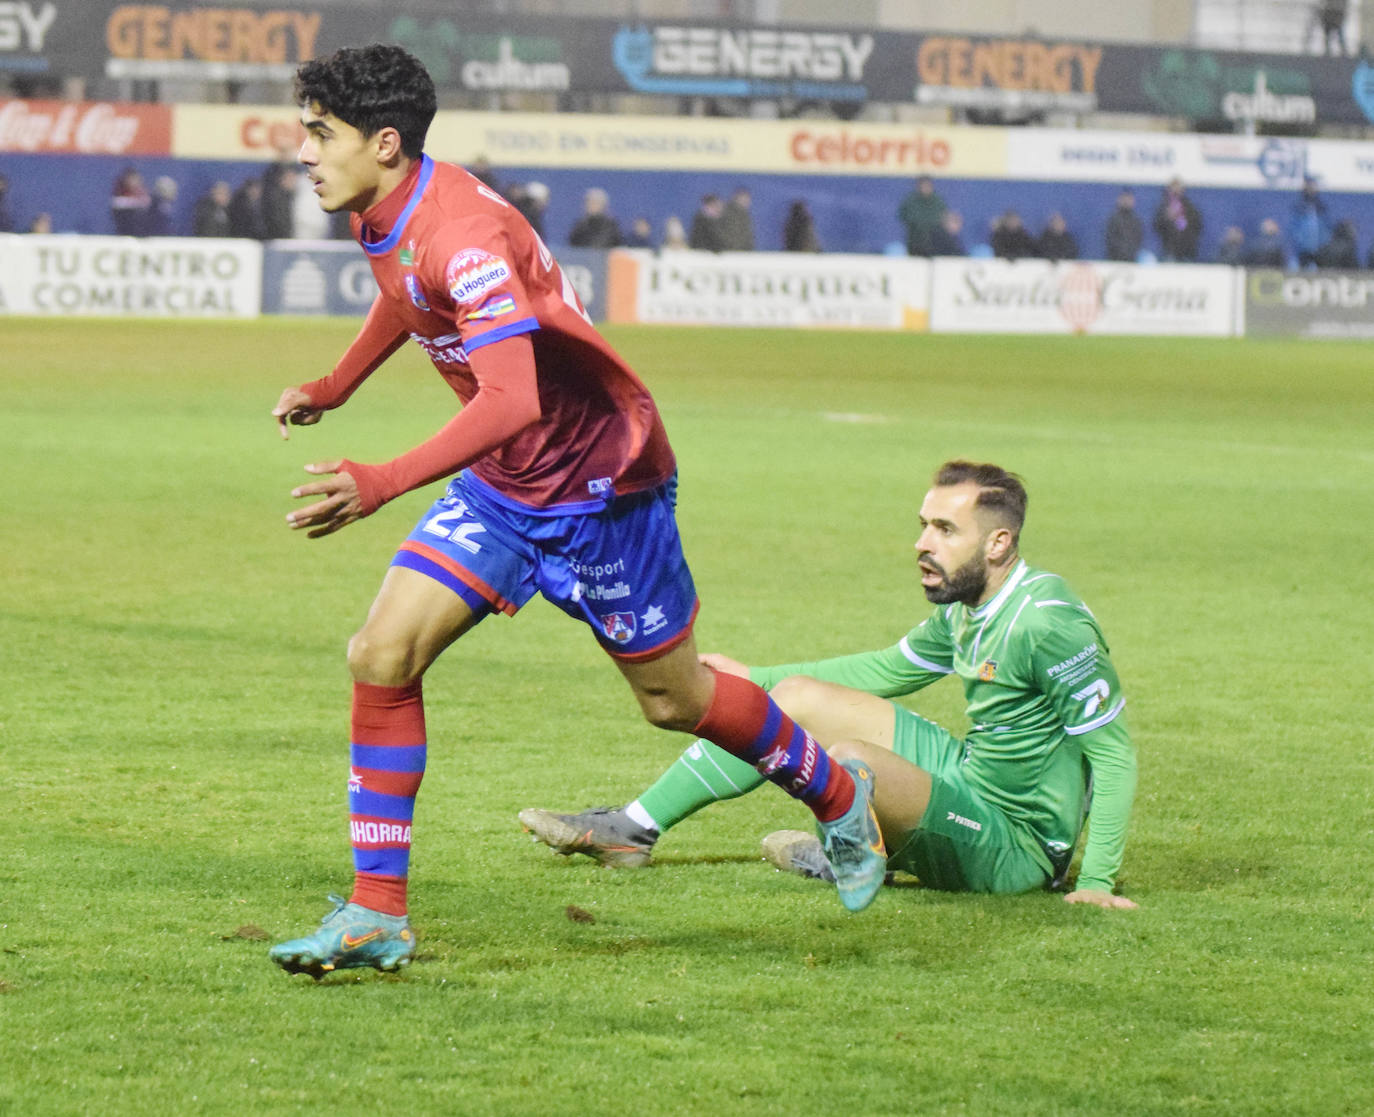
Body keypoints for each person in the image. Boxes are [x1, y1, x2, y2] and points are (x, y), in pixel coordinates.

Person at [266, 44, 886, 979]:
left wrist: (383, 478)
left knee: (674, 700)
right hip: (506, 485)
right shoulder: (391, 210)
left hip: (603, 491)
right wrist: (338, 384)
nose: (303, 151)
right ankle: (376, 914)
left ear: (384, 143)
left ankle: (841, 798)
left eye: (320, 133)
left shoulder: (461, 235)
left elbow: (512, 399)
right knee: (380, 653)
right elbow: (406, 296)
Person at [521, 461, 1137, 912]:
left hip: (1017, 845)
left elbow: (1114, 755)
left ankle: (848, 856)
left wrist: (1096, 884)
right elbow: (888, 670)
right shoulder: (968, 606)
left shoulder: (1045, 624)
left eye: (945, 530)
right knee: (792, 701)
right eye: (924, 525)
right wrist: (751, 680)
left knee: (848, 764)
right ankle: (631, 830)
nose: (922, 543)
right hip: (972, 779)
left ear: (999, 543)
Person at [1152, 178, 1203, 263]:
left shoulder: (1189, 207)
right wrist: (1167, 218)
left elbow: (1197, 225)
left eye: (1178, 188)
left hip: (1187, 252)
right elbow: (1157, 226)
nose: (1176, 190)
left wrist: (1184, 220)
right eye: (1173, 188)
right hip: (1169, 251)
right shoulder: (1163, 207)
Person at [896, 174, 947, 257]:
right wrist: (918, 224)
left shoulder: (937, 201)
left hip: (934, 243)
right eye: (923, 185)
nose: (925, 188)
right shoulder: (911, 200)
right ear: (918, 186)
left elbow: (941, 218)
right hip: (914, 241)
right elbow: (904, 215)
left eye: (927, 185)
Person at [1288, 178, 1330, 269]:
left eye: (1313, 187)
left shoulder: (1321, 208)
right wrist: (1301, 243)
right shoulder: (1298, 207)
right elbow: (1293, 229)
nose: (1312, 189)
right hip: (1302, 252)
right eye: (1309, 186)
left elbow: (1326, 228)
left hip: (1319, 251)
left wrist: (1323, 245)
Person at [1104, 189, 1143, 262]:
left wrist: (1130, 252)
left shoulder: (1136, 221)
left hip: (1131, 258)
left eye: (1129, 199)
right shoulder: (1114, 219)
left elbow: (1138, 238)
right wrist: (1120, 251)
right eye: (1124, 199)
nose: (1126, 202)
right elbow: (1110, 238)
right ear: (1119, 200)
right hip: (1115, 258)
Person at [110, 167, 151, 236]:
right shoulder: (120, 194)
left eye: (136, 179)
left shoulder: (143, 194)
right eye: (131, 179)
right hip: (125, 233)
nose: (134, 182)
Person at [718, 187, 755, 251]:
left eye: (748, 199)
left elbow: (748, 236)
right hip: (730, 252)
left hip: (741, 253)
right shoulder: (727, 213)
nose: (747, 202)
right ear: (736, 198)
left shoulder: (745, 215)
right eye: (743, 199)